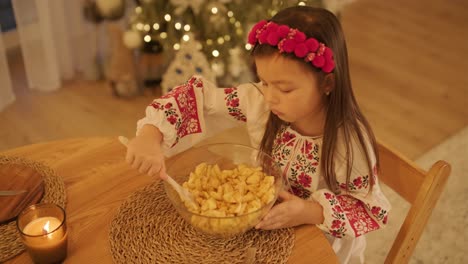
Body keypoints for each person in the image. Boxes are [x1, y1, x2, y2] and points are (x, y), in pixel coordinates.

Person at [125, 6, 391, 264]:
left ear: (327, 83)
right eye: (264, 82)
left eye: (285, 89)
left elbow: (369, 209)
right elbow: (199, 101)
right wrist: (151, 135)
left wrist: (308, 211)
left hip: (323, 244)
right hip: (262, 229)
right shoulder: (258, 100)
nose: (270, 97)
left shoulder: (350, 144)